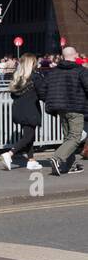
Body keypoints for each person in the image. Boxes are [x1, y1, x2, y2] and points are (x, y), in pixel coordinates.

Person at [36, 45, 88, 174]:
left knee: (68, 137)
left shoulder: (53, 72)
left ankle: (68, 165)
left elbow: (42, 90)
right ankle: (57, 157)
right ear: (75, 56)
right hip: (76, 108)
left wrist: (50, 100)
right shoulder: (81, 71)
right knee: (75, 137)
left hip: (59, 108)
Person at [2, 53, 44, 171]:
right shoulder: (35, 77)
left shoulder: (17, 77)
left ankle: (31, 160)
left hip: (18, 109)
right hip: (31, 109)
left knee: (29, 135)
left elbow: (13, 95)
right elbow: (42, 93)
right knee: (28, 136)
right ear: (32, 64)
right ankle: (10, 154)